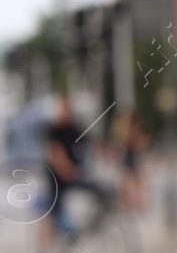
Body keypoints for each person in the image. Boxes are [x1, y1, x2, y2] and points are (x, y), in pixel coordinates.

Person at [41, 96, 104, 244]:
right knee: (53, 213)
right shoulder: (53, 131)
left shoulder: (74, 128)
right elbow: (56, 156)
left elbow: (91, 141)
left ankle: (90, 224)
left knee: (97, 190)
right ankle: (45, 248)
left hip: (73, 175)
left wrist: (105, 150)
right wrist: (69, 171)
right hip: (57, 179)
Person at [111, 110, 148, 211]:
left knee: (134, 179)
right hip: (128, 154)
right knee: (128, 179)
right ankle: (128, 201)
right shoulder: (126, 127)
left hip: (132, 155)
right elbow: (125, 141)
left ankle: (135, 201)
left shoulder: (132, 127)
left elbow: (139, 142)